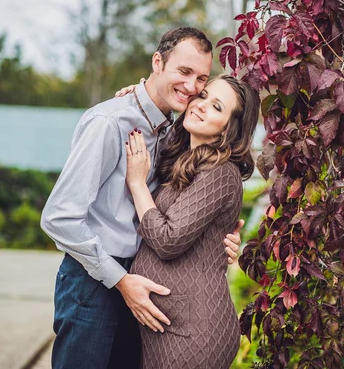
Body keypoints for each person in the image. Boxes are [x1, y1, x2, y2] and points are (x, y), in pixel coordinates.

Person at [40, 28, 242, 369]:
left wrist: (219, 240)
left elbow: (182, 207)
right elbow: (58, 217)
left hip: (140, 286)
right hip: (95, 280)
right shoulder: (109, 123)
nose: (192, 88)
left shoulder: (174, 130)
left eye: (201, 79)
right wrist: (120, 281)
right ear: (158, 62)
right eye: (184, 72)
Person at [125, 74, 260, 368]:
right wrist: (135, 97)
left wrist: (136, 183)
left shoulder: (220, 173)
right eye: (203, 96)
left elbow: (168, 239)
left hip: (194, 332)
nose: (200, 106)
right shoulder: (186, 157)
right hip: (168, 325)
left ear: (229, 128)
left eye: (216, 107)